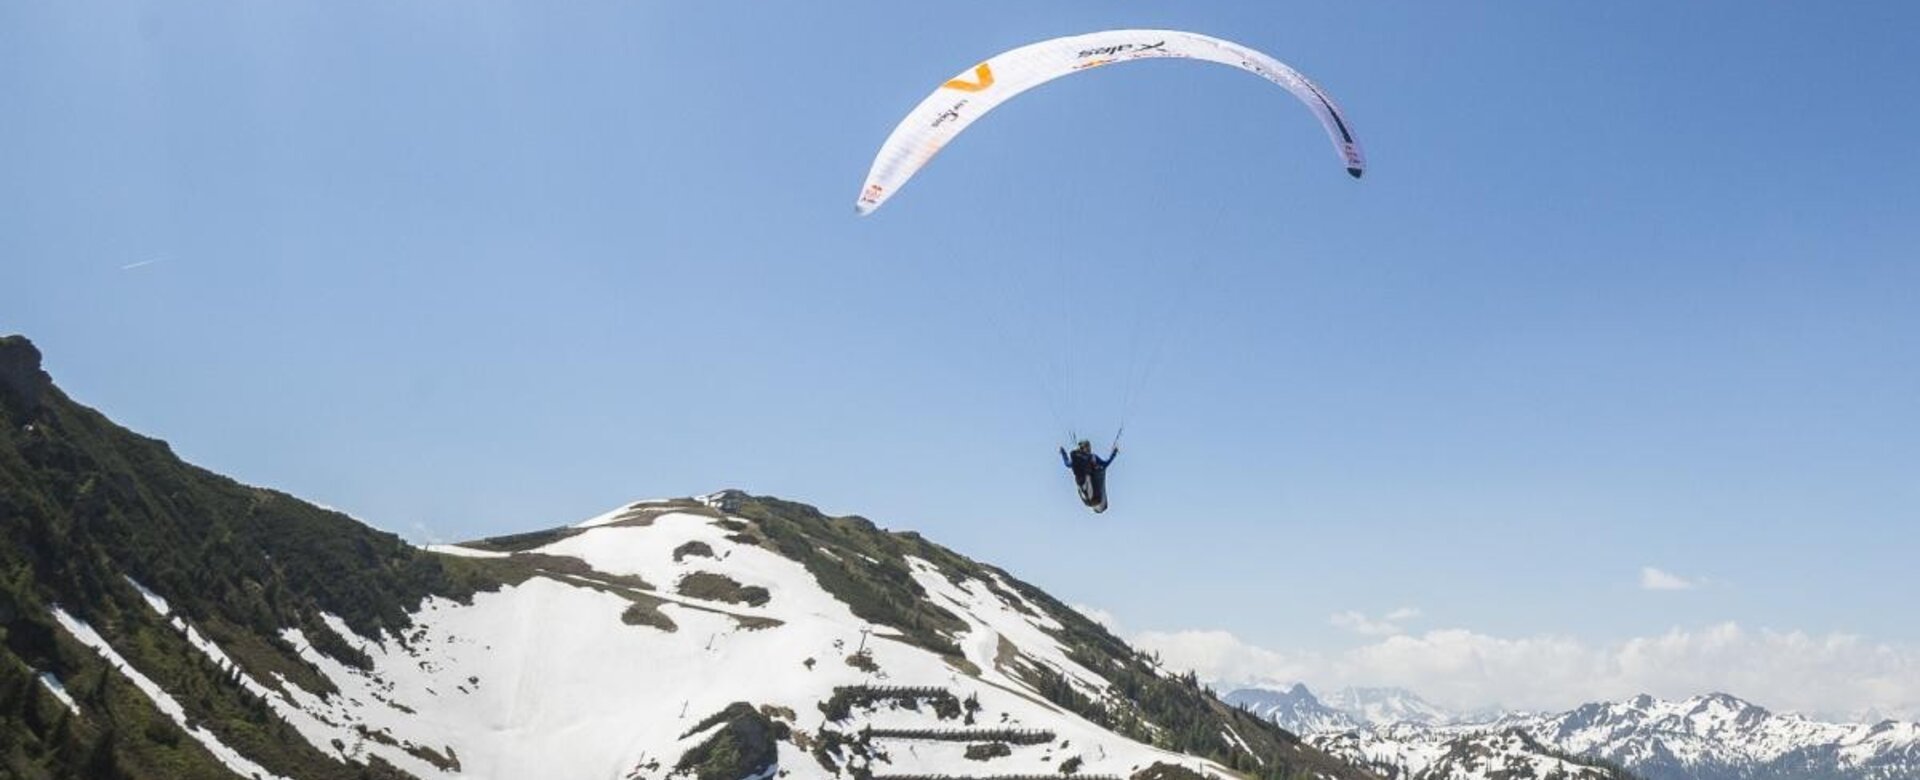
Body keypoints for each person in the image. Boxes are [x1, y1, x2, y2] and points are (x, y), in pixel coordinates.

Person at [1059, 440, 1119, 513]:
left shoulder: (1091, 457)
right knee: (1086, 481)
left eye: (1089, 447)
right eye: (1087, 447)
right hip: (1088, 488)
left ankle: (1090, 495)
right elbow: (1105, 464)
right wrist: (1114, 454)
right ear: (1082, 448)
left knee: (1086, 481)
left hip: (1087, 491)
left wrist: (1063, 453)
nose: (1089, 449)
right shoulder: (1091, 457)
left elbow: (1067, 463)